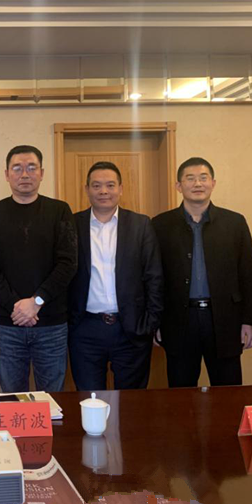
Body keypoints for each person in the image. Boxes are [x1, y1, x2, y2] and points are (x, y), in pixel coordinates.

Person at [151, 157, 252, 387]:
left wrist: (248, 321)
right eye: (190, 178)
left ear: (213, 183)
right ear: (179, 186)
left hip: (225, 320)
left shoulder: (235, 223)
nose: (197, 183)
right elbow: (153, 278)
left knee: (228, 389)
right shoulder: (160, 225)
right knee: (180, 391)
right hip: (178, 320)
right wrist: (155, 321)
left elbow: (249, 275)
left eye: (203, 178)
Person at [0, 145, 77, 392]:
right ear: (6, 174)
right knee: (13, 398)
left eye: (31, 168)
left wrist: (37, 301)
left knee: (52, 398)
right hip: (8, 324)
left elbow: (68, 263)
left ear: (42, 173)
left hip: (51, 323)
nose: (24, 174)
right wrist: (17, 306)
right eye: (17, 168)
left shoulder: (60, 210)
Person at [67, 161, 163, 390]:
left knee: (131, 402)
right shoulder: (72, 225)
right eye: (96, 185)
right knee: (90, 399)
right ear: (87, 189)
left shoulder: (140, 224)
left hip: (131, 328)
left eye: (110, 185)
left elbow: (154, 276)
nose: (103, 191)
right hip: (85, 328)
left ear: (120, 188)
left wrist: (151, 322)